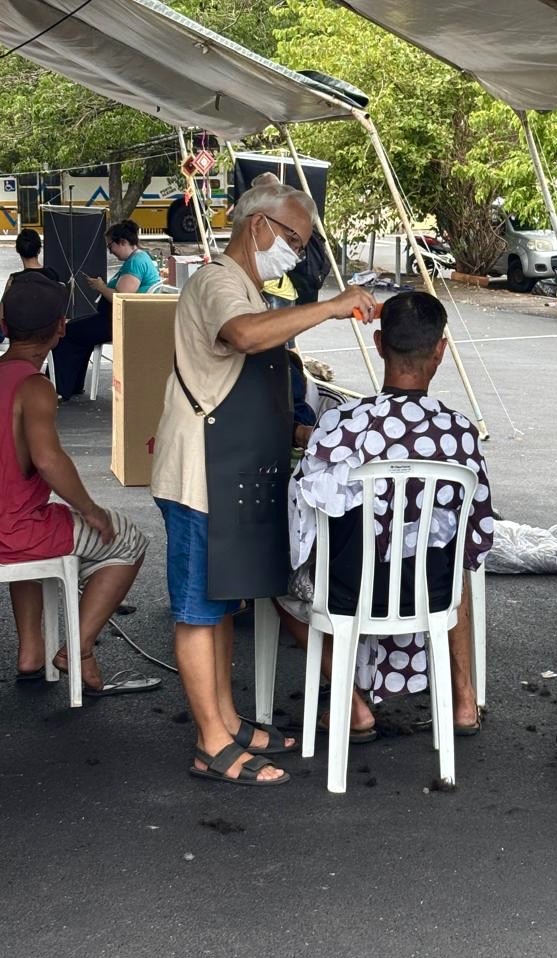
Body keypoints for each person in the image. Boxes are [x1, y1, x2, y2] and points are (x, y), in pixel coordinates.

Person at [150, 182, 377, 787]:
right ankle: (211, 744)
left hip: (228, 470)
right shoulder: (217, 282)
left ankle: (227, 719)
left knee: (222, 602)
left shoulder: (248, 288)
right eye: (293, 240)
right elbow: (246, 336)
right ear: (257, 227)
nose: (296, 254)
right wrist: (332, 305)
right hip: (199, 472)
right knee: (198, 611)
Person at [278, 291, 493, 738]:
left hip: (349, 594)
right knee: (457, 564)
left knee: (277, 585)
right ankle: (463, 699)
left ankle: (353, 705)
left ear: (378, 344)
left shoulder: (341, 424)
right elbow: (477, 532)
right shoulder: (461, 433)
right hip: (431, 594)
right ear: (440, 350)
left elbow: (303, 520)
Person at [0, 273, 156, 694]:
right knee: (129, 540)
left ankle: (31, 653)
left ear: (1, 323)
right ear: (60, 327)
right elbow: (48, 459)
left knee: (27, 529)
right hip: (13, 531)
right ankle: (78, 648)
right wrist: (91, 510)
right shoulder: (33, 387)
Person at [51, 219, 160, 401]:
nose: (110, 251)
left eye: (111, 246)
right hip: (114, 318)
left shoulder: (135, 262)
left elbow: (122, 297)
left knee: (66, 332)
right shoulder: (139, 258)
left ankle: (61, 386)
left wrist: (101, 287)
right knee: (75, 328)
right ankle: (71, 385)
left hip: (118, 321)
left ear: (122, 242)